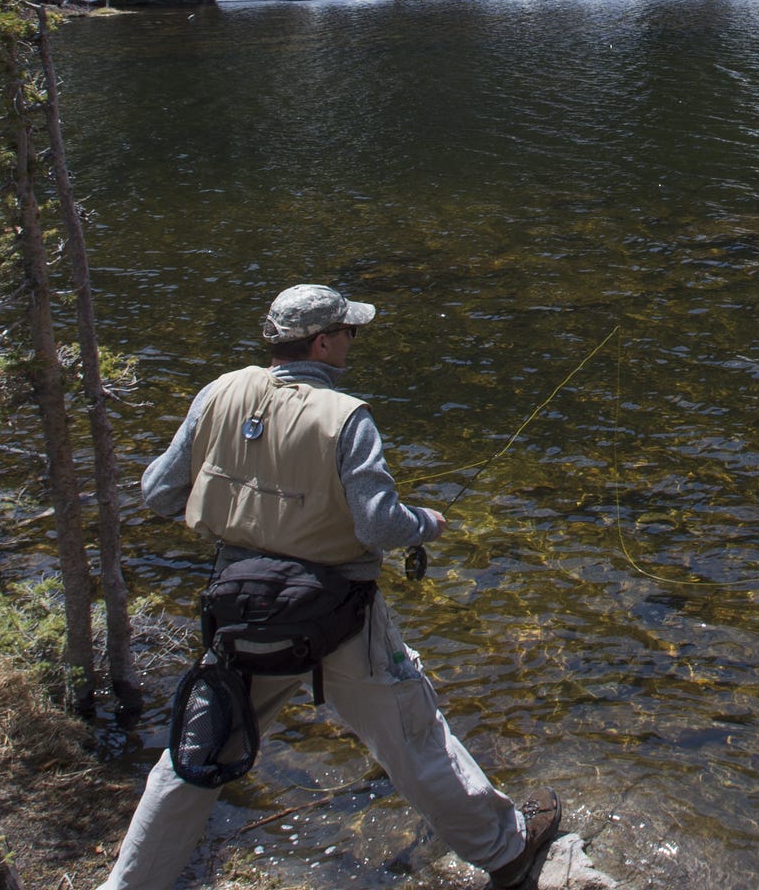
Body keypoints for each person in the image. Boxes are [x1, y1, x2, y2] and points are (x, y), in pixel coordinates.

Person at [99, 284, 566, 890]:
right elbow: (377, 524)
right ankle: (506, 853)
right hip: (338, 614)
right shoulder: (347, 417)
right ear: (323, 341)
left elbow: (160, 492)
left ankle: (129, 885)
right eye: (350, 332)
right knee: (412, 736)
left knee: (198, 753)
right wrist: (427, 523)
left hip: (240, 609)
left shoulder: (219, 391)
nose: (352, 341)